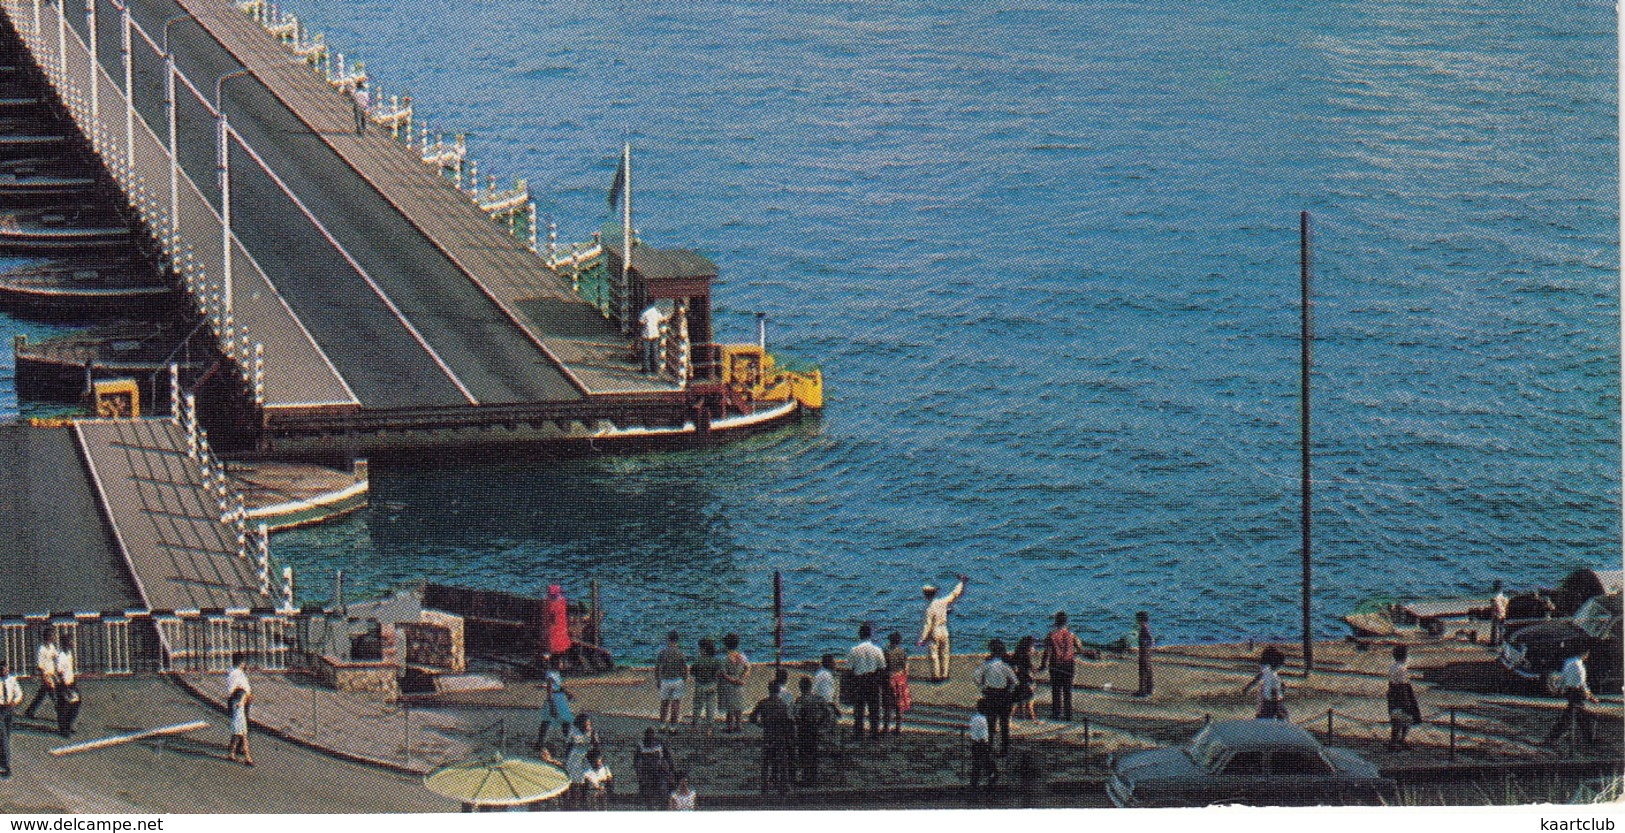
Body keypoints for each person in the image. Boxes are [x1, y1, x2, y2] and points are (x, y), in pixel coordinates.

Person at [1545, 649, 1598, 750]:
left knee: (1576, 717)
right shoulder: (1578, 665)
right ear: (1585, 653)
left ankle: (1589, 738)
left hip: (1571, 692)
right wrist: (1590, 696)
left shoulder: (1569, 662)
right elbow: (1581, 683)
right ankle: (1589, 739)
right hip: (1577, 693)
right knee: (1577, 717)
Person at [748, 679, 795, 794]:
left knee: (766, 762)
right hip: (779, 736)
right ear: (779, 691)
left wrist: (761, 724)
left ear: (769, 690)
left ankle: (764, 786)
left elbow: (752, 718)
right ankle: (783, 785)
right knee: (782, 762)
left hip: (768, 734)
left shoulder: (763, 703)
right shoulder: (783, 705)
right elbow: (789, 721)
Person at [973, 638, 1018, 755]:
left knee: (991, 724)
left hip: (990, 694)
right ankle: (1004, 749)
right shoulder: (1005, 666)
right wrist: (1009, 690)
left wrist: (982, 687)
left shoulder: (986, 665)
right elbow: (1014, 681)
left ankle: (989, 747)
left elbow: (976, 676)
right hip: (1004, 695)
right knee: (1004, 724)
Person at [918, 575, 968, 682]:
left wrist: (922, 640)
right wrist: (961, 583)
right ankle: (945, 674)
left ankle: (936, 676)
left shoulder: (929, 608)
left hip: (935, 631)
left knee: (934, 655)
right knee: (945, 653)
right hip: (944, 629)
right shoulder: (943, 602)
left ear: (926, 595)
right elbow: (954, 594)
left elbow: (928, 626)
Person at [1039, 612, 1084, 720]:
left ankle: (1056, 713)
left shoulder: (1051, 635)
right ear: (1066, 622)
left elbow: (1047, 652)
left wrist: (1043, 665)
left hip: (1055, 665)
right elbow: (1080, 648)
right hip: (1068, 664)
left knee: (1056, 690)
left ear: (1056, 622)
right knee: (1067, 690)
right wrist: (1072, 654)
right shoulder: (1071, 635)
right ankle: (1068, 714)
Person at [847, 623, 886, 740]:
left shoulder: (854, 650)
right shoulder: (877, 650)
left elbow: (850, 668)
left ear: (860, 635)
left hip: (859, 681)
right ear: (870, 635)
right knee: (874, 709)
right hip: (873, 680)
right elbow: (882, 667)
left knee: (859, 709)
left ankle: (859, 733)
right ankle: (874, 733)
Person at [792, 677, 832, 785]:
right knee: (814, 753)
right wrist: (822, 724)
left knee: (804, 754)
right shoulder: (819, 699)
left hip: (804, 729)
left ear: (801, 687)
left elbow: (796, 714)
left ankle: (806, 777)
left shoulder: (800, 700)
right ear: (811, 686)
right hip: (815, 727)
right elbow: (828, 713)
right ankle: (814, 777)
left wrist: (798, 723)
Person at [1386, 645, 1421, 749]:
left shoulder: (1392, 667)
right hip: (1402, 694)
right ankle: (1400, 740)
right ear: (1404, 655)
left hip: (1393, 693)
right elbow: (1403, 684)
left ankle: (1394, 741)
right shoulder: (1402, 668)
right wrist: (1407, 701)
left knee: (1396, 718)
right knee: (1407, 717)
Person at [535, 656, 573, 751]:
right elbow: (549, 690)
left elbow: (559, 686)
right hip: (555, 699)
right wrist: (552, 704)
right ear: (555, 663)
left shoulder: (556, 673)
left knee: (564, 720)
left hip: (560, 698)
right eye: (560, 662)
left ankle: (567, 740)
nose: (562, 664)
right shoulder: (550, 674)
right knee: (548, 720)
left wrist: (567, 693)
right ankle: (540, 742)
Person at [633, 728, 675, 810]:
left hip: (659, 771)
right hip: (646, 772)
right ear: (645, 735)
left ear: (654, 735)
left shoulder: (659, 744)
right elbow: (636, 760)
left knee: (663, 789)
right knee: (647, 792)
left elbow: (668, 757)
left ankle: (663, 808)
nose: (650, 736)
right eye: (648, 734)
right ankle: (650, 807)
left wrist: (670, 770)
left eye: (651, 734)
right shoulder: (641, 745)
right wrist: (639, 771)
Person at [1242, 646, 1287, 720]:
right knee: (1269, 717)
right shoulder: (1271, 673)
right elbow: (1275, 691)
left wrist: (1247, 688)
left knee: (1266, 717)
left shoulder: (1270, 673)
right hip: (1271, 702)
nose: (1261, 666)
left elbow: (1257, 680)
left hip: (1269, 702)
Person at [654, 631, 688, 729]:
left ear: (668, 639)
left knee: (664, 704)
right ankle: (673, 727)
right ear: (677, 640)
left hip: (665, 680)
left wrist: (657, 680)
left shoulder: (663, 652)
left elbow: (657, 668)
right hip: (678, 680)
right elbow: (685, 668)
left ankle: (662, 725)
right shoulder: (681, 653)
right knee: (675, 705)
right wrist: (684, 679)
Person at [225, 653, 254, 766]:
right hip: (238, 703)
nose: (244, 664)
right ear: (240, 662)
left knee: (239, 730)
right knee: (241, 731)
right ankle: (247, 756)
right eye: (243, 662)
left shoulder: (238, 673)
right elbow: (232, 691)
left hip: (241, 701)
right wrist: (241, 699)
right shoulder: (234, 673)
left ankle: (233, 752)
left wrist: (247, 697)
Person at [23, 627, 58, 721]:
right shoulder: (41, 649)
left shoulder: (52, 646)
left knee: (41, 694)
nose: (54, 637)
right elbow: (40, 665)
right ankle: (62, 715)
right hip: (46, 675)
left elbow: (56, 656)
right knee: (54, 696)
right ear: (47, 636)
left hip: (51, 673)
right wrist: (44, 677)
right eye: (52, 635)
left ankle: (30, 711)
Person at [719, 633, 750, 734]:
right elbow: (748, 668)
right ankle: (739, 725)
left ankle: (730, 727)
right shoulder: (742, 656)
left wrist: (732, 680)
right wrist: (742, 678)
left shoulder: (725, 658)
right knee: (739, 706)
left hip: (729, 684)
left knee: (729, 707)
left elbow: (723, 673)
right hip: (740, 683)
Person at [689, 638, 721, 735]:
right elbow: (719, 673)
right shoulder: (716, 661)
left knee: (697, 706)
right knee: (710, 707)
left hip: (700, 685)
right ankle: (709, 729)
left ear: (703, 649)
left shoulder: (698, 660)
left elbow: (692, 672)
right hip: (712, 685)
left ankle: (695, 727)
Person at [881, 632, 910, 734]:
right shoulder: (902, 652)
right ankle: (898, 727)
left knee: (887, 705)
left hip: (889, 678)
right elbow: (906, 667)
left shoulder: (886, 652)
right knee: (899, 704)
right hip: (900, 679)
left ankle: (886, 727)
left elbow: (883, 666)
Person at [967, 697, 997, 791]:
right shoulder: (984, 720)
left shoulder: (974, 718)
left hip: (974, 743)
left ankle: (974, 783)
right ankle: (991, 780)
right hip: (982, 744)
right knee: (988, 763)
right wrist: (988, 746)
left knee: (976, 764)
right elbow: (983, 735)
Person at [53, 633, 78, 738]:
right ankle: (63, 729)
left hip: (71, 682)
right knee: (64, 707)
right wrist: (65, 687)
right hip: (63, 684)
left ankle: (68, 725)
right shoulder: (60, 655)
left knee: (76, 703)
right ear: (64, 643)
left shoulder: (69, 653)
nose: (72, 643)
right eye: (69, 641)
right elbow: (59, 672)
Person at [0, 662, 21, 778]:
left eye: (6, 670)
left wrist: (15, 702)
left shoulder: (12, 680)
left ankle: (2, 759)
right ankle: (6, 766)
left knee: (6, 736)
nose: (5, 672)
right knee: (3, 738)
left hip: (9, 709)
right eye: (3, 670)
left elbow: (19, 693)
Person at [1010, 636, 1036, 720]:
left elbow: (1014, 669)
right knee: (1030, 700)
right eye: (1033, 647)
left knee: (1016, 700)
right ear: (1028, 647)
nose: (1034, 649)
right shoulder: (1027, 657)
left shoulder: (1015, 655)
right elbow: (1030, 671)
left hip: (1018, 681)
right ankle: (1033, 718)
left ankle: (1013, 717)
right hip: (1026, 681)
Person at [544, 585, 572, 661]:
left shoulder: (549, 603)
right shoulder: (562, 602)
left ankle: (553, 657)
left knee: (553, 641)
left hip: (554, 628)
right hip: (560, 628)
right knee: (560, 643)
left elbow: (549, 617)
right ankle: (561, 660)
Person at [639, 303, 666, 374]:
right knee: (655, 352)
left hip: (646, 334)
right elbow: (662, 319)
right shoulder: (657, 311)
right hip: (655, 334)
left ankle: (646, 370)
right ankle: (656, 369)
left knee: (646, 352)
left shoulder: (645, 312)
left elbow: (641, 322)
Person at [1134, 611, 1155, 697]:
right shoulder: (1145, 626)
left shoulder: (1144, 627)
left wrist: (1144, 644)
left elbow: (1150, 639)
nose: (1136, 620)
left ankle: (1142, 691)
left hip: (1144, 650)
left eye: (1137, 618)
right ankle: (1149, 689)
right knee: (1147, 669)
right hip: (1146, 650)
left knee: (1143, 670)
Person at [1489, 581, 1509, 646]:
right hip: (1504, 613)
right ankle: (1501, 641)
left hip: (1497, 614)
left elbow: (1495, 607)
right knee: (1501, 628)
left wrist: (1494, 614)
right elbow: (1505, 606)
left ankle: (1493, 642)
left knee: (1494, 628)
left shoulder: (1494, 597)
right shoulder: (1504, 596)